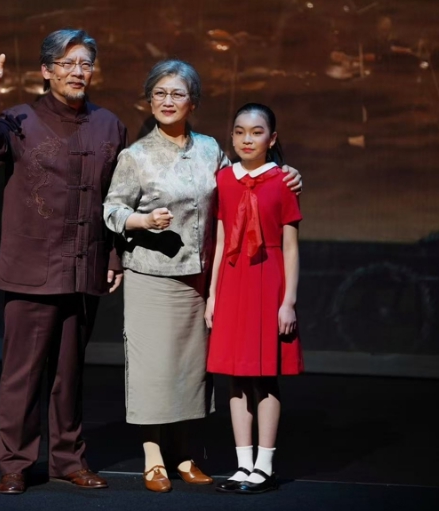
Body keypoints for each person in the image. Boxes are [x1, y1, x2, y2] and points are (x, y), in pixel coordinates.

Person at [103, 61, 302, 493]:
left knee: (191, 372)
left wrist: (287, 172)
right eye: (159, 93)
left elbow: (245, 181)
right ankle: (154, 458)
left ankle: (184, 454)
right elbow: (112, 210)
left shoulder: (211, 149)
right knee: (153, 370)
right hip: (153, 273)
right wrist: (142, 221)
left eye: (177, 93)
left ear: (192, 102)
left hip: (202, 276)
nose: (168, 101)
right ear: (149, 100)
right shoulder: (135, 156)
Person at [0, 29, 126, 494]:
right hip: (32, 267)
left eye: (85, 64)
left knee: (69, 375)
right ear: (46, 71)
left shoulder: (109, 125)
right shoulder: (18, 119)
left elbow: (116, 197)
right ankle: (15, 463)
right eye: (67, 63)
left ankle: (68, 460)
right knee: (23, 374)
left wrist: (112, 255)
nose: (78, 72)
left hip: (84, 265)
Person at [205, 103, 303, 495]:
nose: (248, 139)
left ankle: (265, 465)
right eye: (240, 131)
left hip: (267, 282)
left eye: (257, 132)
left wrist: (288, 301)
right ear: (232, 136)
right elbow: (221, 240)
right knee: (236, 376)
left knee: (264, 375)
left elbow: (291, 247)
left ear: (271, 138)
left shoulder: (283, 181)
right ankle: (242, 464)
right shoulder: (224, 180)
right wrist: (213, 295)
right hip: (233, 281)